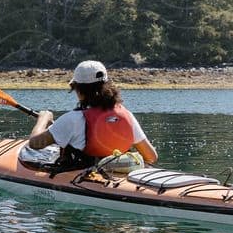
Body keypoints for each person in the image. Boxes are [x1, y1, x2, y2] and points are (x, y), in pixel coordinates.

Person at [21, 60, 156, 173]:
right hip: (121, 176)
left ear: (78, 89)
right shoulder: (127, 115)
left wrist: (43, 119)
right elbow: (151, 157)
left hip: (86, 176)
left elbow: (34, 144)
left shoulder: (72, 119)